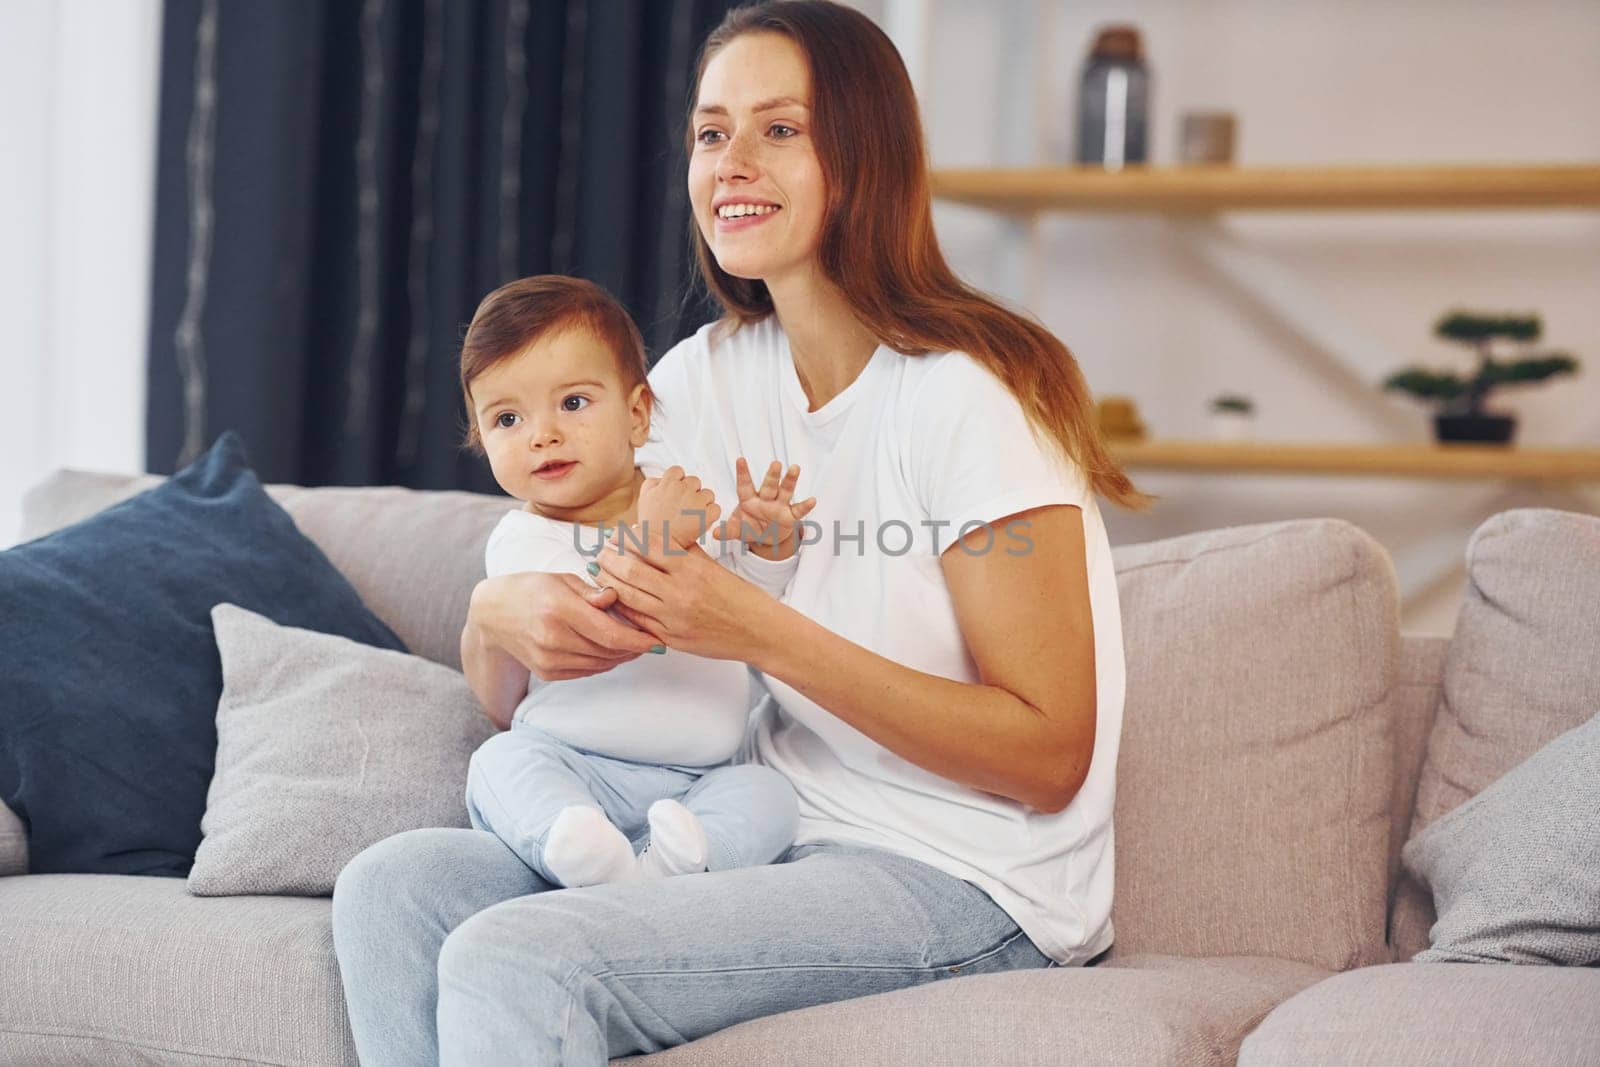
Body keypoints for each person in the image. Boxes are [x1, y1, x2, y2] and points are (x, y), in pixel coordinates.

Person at [331, 3, 1151, 1064]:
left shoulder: (969, 401)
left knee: (522, 957)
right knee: (391, 889)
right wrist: (495, 618)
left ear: (864, 157)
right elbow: (531, 653)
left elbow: (1049, 755)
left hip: (961, 875)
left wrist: (756, 627)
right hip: (756, 828)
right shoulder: (698, 382)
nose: (732, 163)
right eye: (711, 133)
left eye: (779, 128)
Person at [456, 274, 810, 888]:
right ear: (482, 442)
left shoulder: (682, 503)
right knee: (500, 761)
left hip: (699, 778)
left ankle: (676, 865)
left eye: (572, 403)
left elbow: (752, 605)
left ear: (638, 414)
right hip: (573, 764)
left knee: (770, 794)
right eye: (507, 418)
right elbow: (602, 618)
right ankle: (576, 849)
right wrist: (659, 539)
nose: (542, 434)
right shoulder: (524, 539)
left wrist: (768, 540)